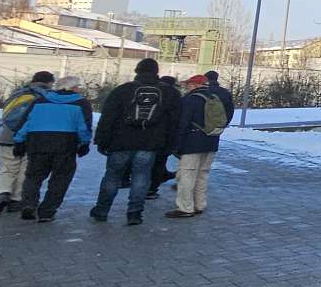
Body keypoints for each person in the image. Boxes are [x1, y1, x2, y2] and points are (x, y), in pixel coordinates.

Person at [92, 58, 181, 225]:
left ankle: (101, 210)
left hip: (120, 142)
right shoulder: (170, 93)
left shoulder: (122, 90)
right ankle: (134, 213)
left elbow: (108, 117)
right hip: (150, 143)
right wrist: (170, 144)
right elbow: (175, 122)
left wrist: (101, 140)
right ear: (156, 72)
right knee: (142, 177)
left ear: (137, 71)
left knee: (112, 177)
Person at [12, 76, 93, 222]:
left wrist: (19, 141)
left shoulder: (40, 101)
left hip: (37, 142)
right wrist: (84, 143)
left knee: (33, 176)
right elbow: (83, 127)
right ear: (73, 88)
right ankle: (47, 211)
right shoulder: (81, 103)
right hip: (65, 144)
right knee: (60, 179)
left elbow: (26, 122)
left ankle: (29, 204)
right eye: (78, 86)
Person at [167, 73, 233, 219]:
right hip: (211, 142)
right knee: (202, 175)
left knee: (187, 176)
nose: (186, 87)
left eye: (188, 85)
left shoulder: (189, 100)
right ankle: (199, 204)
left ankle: (185, 208)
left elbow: (182, 124)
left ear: (194, 85)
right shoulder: (215, 98)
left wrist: (176, 145)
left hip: (192, 143)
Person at [0, 71, 53, 214]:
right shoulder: (46, 96)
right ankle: (16, 199)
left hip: (7, 136)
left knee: (7, 168)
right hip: (30, 139)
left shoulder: (18, 93)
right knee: (25, 170)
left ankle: (4, 193)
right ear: (50, 82)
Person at [147, 75, 180, 199]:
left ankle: (140, 187)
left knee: (144, 162)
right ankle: (151, 189)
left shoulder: (151, 90)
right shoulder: (175, 94)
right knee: (159, 162)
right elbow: (177, 117)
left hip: (146, 133)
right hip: (165, 135)